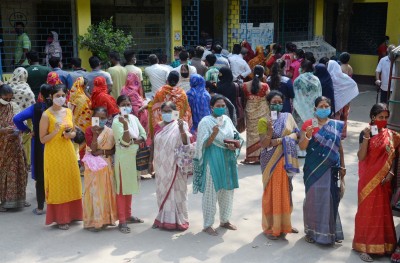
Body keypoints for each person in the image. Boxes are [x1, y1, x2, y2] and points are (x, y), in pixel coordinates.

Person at [353, 103, 399, 262]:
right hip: (368, 180)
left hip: (384, 180)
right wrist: (366, 138)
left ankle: (384, 246)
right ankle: (364, 247)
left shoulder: (392, 135)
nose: (383, 120)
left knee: (382, 213)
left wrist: (391, 172)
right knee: (367, 213)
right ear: (373, 117)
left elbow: (393, 156)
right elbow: (361, 157)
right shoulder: (365, 133)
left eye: (386, 117)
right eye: (380, 117)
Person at [299, 96, 345, 245]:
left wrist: (343, 165)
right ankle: (311, 232)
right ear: (315, 109)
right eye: (321, 106)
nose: (324, 109)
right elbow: (302, 146)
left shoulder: (336, 125)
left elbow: (340, 148)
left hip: (331, 169)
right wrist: (308, 135)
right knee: (313, 199)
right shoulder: (308, 124)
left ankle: (329, 233)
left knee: (329, 199)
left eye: (327, 106)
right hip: (313, 169)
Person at [193, 95, 242, 236]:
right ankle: (208, 224)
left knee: (227, 190)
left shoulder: (226, 120)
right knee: (211, 191)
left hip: (227, 158)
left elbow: (236, 136)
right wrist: (213, 134)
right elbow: (202, 145)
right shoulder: (205, 122)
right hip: (212, 158)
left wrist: (235, 146)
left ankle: (225, 220)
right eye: (218, 106)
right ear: (211, 107)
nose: (221, 108)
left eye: (223, 106)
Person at [39, 84, 83, 229]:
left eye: (63, 95)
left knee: (71, 180)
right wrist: (55, 132)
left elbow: (74, 131)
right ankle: (61, 218)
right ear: (51, 97)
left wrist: (69, 135)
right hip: (53, 153)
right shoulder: (46, 115)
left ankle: (74, 214)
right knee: (58, 184)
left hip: (68, 151)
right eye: (57, 96)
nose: (61, 98)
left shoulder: (68, 112)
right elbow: (42, 139)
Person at [258, 90, 300, 240]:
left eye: (280, 102)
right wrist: (270, 130)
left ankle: (285, 224)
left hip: (286, 159)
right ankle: (271, 227)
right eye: (274, 103)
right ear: (268, 103)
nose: (277, 105)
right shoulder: (263, 121)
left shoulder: (288, 117)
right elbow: (264, 143)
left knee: (286, 190)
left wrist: (280, 140)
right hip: (271, 160)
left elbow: (297, 134)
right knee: (273, 192)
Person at [13, 84, 52, 215]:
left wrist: (28, 130)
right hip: (55, 143)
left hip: (39, 143)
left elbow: (17, 119)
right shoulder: (57, 108)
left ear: (40, 94)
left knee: (40, 172)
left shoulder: (36, 108)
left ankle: (41, 205)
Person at [152, 101, 191, 230]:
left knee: (177, 192)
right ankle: (163, 219)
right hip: (161, 165)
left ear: (175, 112)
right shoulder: (158, 126)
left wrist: (181, 130)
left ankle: (178, 220)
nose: (166, 114)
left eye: (169, 111)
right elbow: (154, 144)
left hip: (175, 165)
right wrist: (150, 162)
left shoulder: (181, 125)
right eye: (164, 112)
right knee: (163, 191)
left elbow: (186, 144)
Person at [112, 95, 147, 233]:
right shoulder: (117, 122)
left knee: (130, 187)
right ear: (118, 107)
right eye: (123, 104)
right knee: (122, 189)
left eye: (128, 104)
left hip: (134, 157)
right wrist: (126, 127)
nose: (126, 107)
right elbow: (125, 142)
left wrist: (136, 140)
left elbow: (143, 133)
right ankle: (122, 220)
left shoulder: (134, 118)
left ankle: (128, 214)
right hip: (123, 159)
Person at [82, 107, 117, 231]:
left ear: (107, 119)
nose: (100, 121)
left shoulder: (110, 132)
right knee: (94, 191)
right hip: (93, 166)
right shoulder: (88, 130)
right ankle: (94, 221)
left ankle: (106, 219)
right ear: (93, 119)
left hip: (106, 164)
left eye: (103, 118)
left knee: (106, 191)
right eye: (98, 118)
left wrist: (103, 151)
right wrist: (95, 134)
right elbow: (92, 149)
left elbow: (113, 150)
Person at [0, 84, 28, 212]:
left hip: (15, 145)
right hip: (2, 148)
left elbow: (20, 122)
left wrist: (19, 129)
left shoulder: (13, 106)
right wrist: (3, 130)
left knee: (19, 171)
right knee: (4, 173)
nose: (8, 101)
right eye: (6, 98)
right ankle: (3, 201)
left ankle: (19, 199)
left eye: (10, 98)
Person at [7, 67, 36, 168]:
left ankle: (11, 162)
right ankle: (26, 162)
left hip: (9, 119)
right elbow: (33, 107)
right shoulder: (27, 90)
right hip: (25, 120)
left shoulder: (8, 87)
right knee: (26, 141)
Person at [242, 65, 270, 164]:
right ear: (263, 74)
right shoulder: (265, 86)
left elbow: (245, 98)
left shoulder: (245, 85)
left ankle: (251, 157)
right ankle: (262, 156)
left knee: (251, 133)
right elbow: (269, 98)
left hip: (250, 110)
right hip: (262, 109)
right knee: (262, 132)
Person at [327, 60, 359, 139]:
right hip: (341, 101)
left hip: (332, 102)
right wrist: (346, 96)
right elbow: (352, 84)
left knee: (333, 118)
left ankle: (333, 134)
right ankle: (340, 134)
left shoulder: (328, 77)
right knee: (341, 117)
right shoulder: (343, 77)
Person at [293, 60, 322, 129]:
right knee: (314, 128)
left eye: (300, 67)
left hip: (300, 108)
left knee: (301, 129)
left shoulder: (298, 80)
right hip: (314, 109)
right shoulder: (316, 79)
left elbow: (295, 95)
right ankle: (314, 137)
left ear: (304, 68)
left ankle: (302, 138)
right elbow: (319, 93)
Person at [120, 72, 149, 143]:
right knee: (140, 129)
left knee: (128, 127)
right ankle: (141, 143)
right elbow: (140, 101)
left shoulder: (123, 89)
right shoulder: (135, 89)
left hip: (126, 112)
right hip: (139, 112)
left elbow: (121, 99)